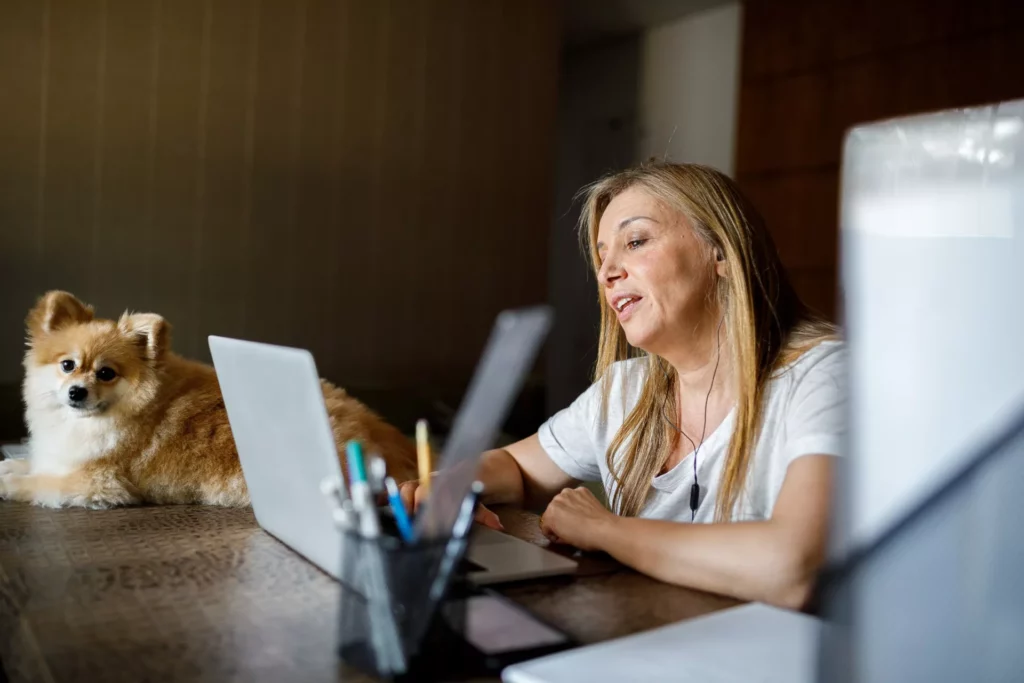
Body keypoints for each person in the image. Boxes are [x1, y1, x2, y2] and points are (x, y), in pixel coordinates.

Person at [401, 161, 845, 610]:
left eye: (635, 242)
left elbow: (792, 568)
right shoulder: (626, 391)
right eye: (601, 256)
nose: (606, 272)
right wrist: (453, 484)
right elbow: (516, 468)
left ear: (722, 252)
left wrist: (603, 529)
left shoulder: (824, 375)